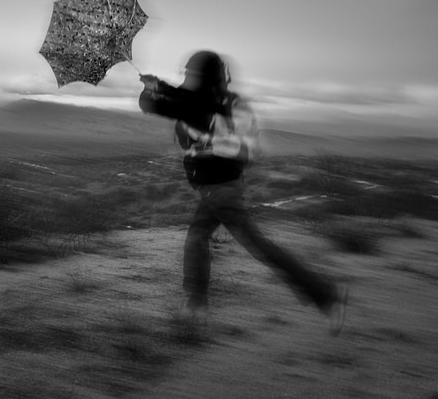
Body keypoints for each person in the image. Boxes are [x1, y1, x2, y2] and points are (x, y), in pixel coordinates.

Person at [138, 50, 347, 335]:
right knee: (200, 237)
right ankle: (197, 304)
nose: (187, 78)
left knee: (254, 245)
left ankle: (325, 294)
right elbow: (179, 100)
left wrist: (154, 91)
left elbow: (162, 106)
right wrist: (158, 86)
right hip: (219, 188)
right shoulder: (224, 101)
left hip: (221, 190)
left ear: (203, 77)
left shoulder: (212, 108)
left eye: (191, 74)